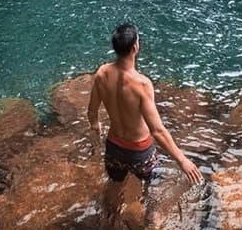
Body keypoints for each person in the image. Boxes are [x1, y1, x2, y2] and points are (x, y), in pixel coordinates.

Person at [87, 23, 203, 190]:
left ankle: (110, 215)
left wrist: (95, 126)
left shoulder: (101, 73)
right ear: (135, 47)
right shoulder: (141, 84)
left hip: (114, 147)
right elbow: (157, 130)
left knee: (114, 187)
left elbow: (92, 110)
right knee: (152, 193)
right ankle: (149, 216)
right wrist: (182, 160)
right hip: (139, 152)